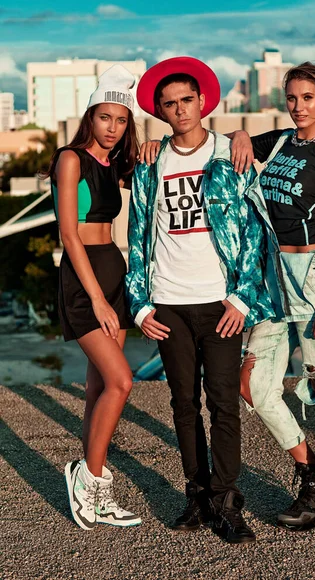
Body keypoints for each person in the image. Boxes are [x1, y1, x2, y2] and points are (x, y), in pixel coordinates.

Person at [125, 56, 273, 544]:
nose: (180, 109)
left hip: (220, 303)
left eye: (187, 99)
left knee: (224, 404)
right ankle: (197, 496)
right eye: (169, 104)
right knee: (182, 404)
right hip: (167, 303)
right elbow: (138, 233)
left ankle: (228, 501)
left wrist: (242, 299)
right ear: (161, 112)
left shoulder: (231, 155)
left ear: (203, 101)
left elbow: (255, 231)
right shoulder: (151, 163)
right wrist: (141, 305)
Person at [232, 62, 315, 530]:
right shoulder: (284, 140)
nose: (298, 107)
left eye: (307, 97)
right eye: (291, 98)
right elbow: (237, 142)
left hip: (313, 274)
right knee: (253, 385)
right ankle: (309, 467)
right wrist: (242, 134)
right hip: (273, 276)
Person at [48, 64, 142, 531]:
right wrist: (99, 301)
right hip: (84, 276)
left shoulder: (114, 164)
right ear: (91, 116)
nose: (112, 127)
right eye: (105, 117)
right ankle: (91, 482)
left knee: (98, 386)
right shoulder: (71, 159)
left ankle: (92, 487)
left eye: (121, 120)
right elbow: (69, 233)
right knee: (121, 382)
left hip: (113, 269)